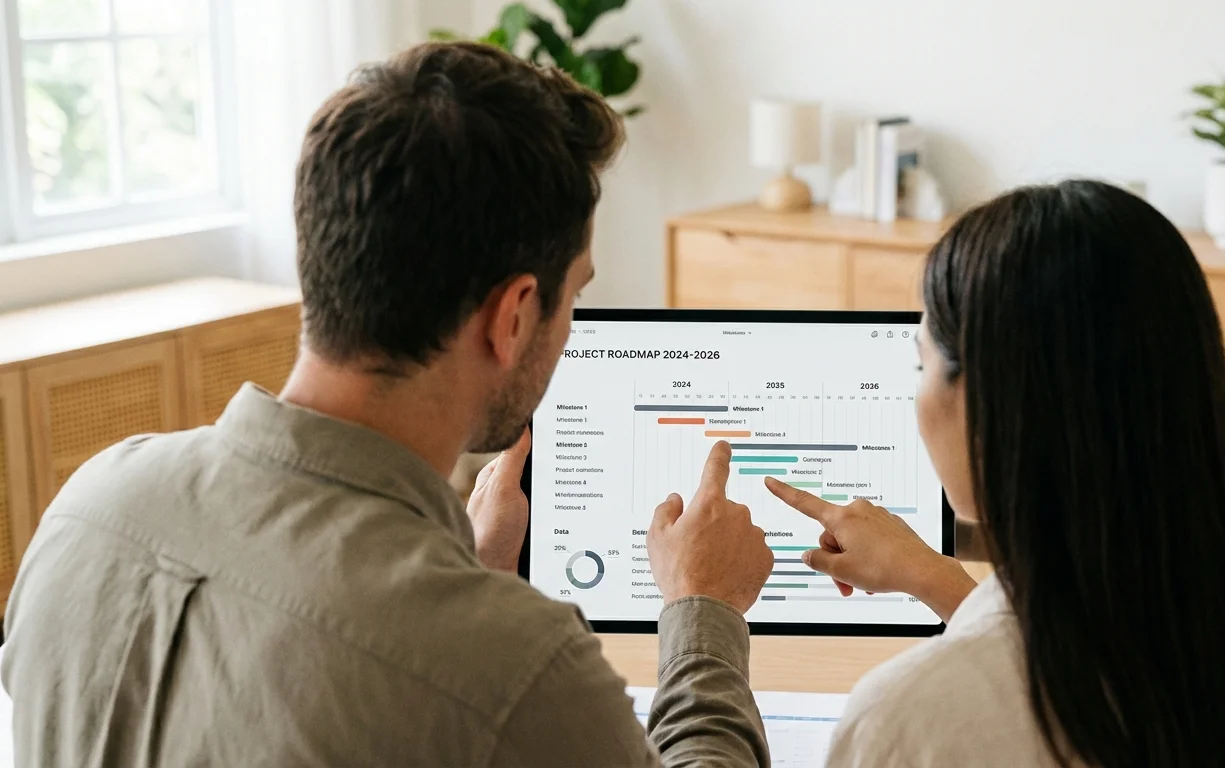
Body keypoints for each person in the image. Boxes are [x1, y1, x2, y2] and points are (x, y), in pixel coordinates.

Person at [2, 42, 775, 767]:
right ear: (512, 318)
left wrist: (467, 577)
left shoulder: (89, 507)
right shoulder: (515, 666)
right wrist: (703, 607)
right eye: (576, 294)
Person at [765, 180, 1225, 767]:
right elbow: (1080, 654)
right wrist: (933, 578)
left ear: (992, 401)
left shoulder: (908, 719)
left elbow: (1002, 684)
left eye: (922, 362)